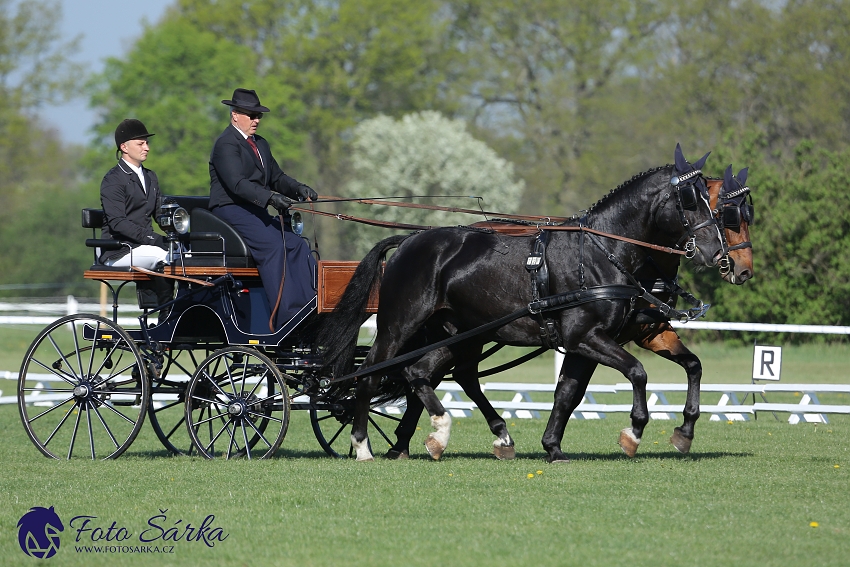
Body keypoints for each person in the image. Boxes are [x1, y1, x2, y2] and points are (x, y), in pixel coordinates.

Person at [209, 88, 318, 329]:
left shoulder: (261, 144)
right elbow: (237, 184)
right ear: (235, 114)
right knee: (274, 246)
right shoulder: (226, 144)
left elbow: (277, 177)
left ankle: (312, 304)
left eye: (259, 116)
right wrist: (270, 198)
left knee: (297, 244)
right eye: (251, 115)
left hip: (254, 210)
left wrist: (299, 188)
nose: (257, 120)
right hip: (230, 210)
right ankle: (286, 315)